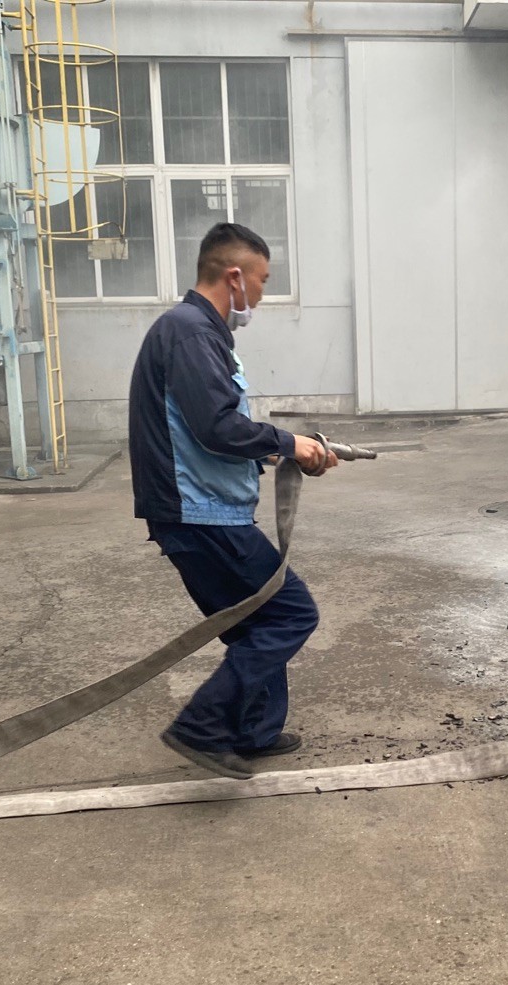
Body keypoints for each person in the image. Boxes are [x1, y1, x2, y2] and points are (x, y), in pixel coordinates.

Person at [127, 222, 337, 779]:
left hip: (204, 507)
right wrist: (287, 442)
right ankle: (202, 727)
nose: (262, 296)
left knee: (253, 622)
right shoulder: (190, 332)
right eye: (263, 281)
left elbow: (210, 430)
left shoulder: (199, 333)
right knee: (290, 612)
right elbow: (216, 427)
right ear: (235, 276)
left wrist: (286, 452)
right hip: (198, 513)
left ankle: (252, 732)